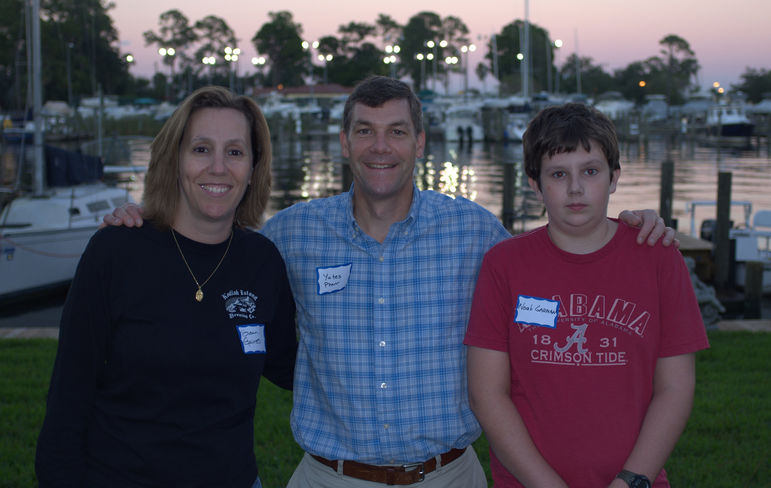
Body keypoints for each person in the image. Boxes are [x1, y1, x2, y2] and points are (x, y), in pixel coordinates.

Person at [104, 76, 675, 487]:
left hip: (449, 474)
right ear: (346, 143)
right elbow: (210, 250)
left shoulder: (476, 234)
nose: (382, 147)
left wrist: (628, 226)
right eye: (366, 131)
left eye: (397, 131)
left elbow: (556, 251)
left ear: (420, 144)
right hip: (329, 477)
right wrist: (144, 224)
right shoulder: (291, 234)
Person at [36, 86, 298, 488]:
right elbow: (68, 398)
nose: (217, 167)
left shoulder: (261, 261)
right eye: (200, 149)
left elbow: (293, 365)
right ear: (174, 161)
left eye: (234, 151)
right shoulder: (116, 252)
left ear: (253, 168)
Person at [464, 103, 710, 488]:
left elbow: (675, 388)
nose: (576, 188)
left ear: (613, 178)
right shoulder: (504, 265)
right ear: (534, 184)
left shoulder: (659, 257)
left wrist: (631, 480)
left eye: (590, 171)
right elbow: (487, 394)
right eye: (558, 174)